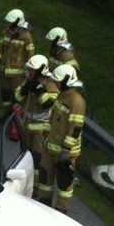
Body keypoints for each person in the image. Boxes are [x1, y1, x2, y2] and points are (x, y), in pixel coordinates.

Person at [39, 64, 86, 213]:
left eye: (57, 81)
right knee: (45, 177)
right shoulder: (61, 95)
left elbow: (75, 129)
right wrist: (45, 136)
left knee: (64, 183)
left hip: (65, 152)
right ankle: (44, 204)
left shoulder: (76, 102)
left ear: (66, 81)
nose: (55, 83)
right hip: (51, 146)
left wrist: (66, 151)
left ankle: (61, 210)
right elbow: (53, 119)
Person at [16, 55, 59, 197]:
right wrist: (24, 90)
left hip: (40, 128)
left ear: (40, 71)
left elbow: (48, 103)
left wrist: (40, 90)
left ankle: (35, 187)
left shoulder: (51, 85)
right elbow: (17, 97)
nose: (29, 72)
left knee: (37, 157)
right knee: (24, 154)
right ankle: (23, 182)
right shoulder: (28, 81)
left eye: (32, 70)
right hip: (26, 124)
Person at [0, 9, 35, 101]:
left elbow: (30, 55)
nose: (9, 24)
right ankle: (5, 109)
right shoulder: (6, 32)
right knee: (4, 93)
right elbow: (0, 49)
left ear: (17, 22)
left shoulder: (26, 36)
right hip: (4, 70)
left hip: (18, 74)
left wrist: (28, 70)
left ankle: (14, 109)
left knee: (15, 95)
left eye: (11, 22)